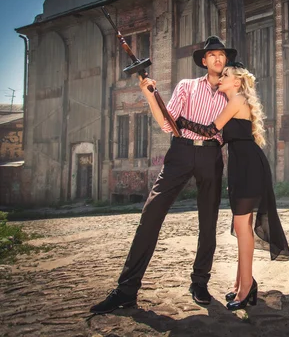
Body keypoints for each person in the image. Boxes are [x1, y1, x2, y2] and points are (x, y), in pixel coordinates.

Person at [90, 36, 237, 314]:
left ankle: (199, 282)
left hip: (210, 155)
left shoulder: (230, 91)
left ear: (225, 60)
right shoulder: (187, 86)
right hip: (180, 153)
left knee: (208, 222)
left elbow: (226, 126)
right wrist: (148, 92)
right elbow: (167, 124)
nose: (218, 59)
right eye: (212, 55)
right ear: (204, 61)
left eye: (222, 55)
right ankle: (126, 290)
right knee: (150, 214)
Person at [176, 62, 289, 311]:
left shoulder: (237, 99)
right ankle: (242, 284)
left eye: (226, 74)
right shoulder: (234, 100)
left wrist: (180, 120)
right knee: (243, 227)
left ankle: (246, 287)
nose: (221, 76)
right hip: (243, 165)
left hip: (249, 165)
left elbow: (210, 130)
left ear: (237, 82)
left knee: (242, 227)